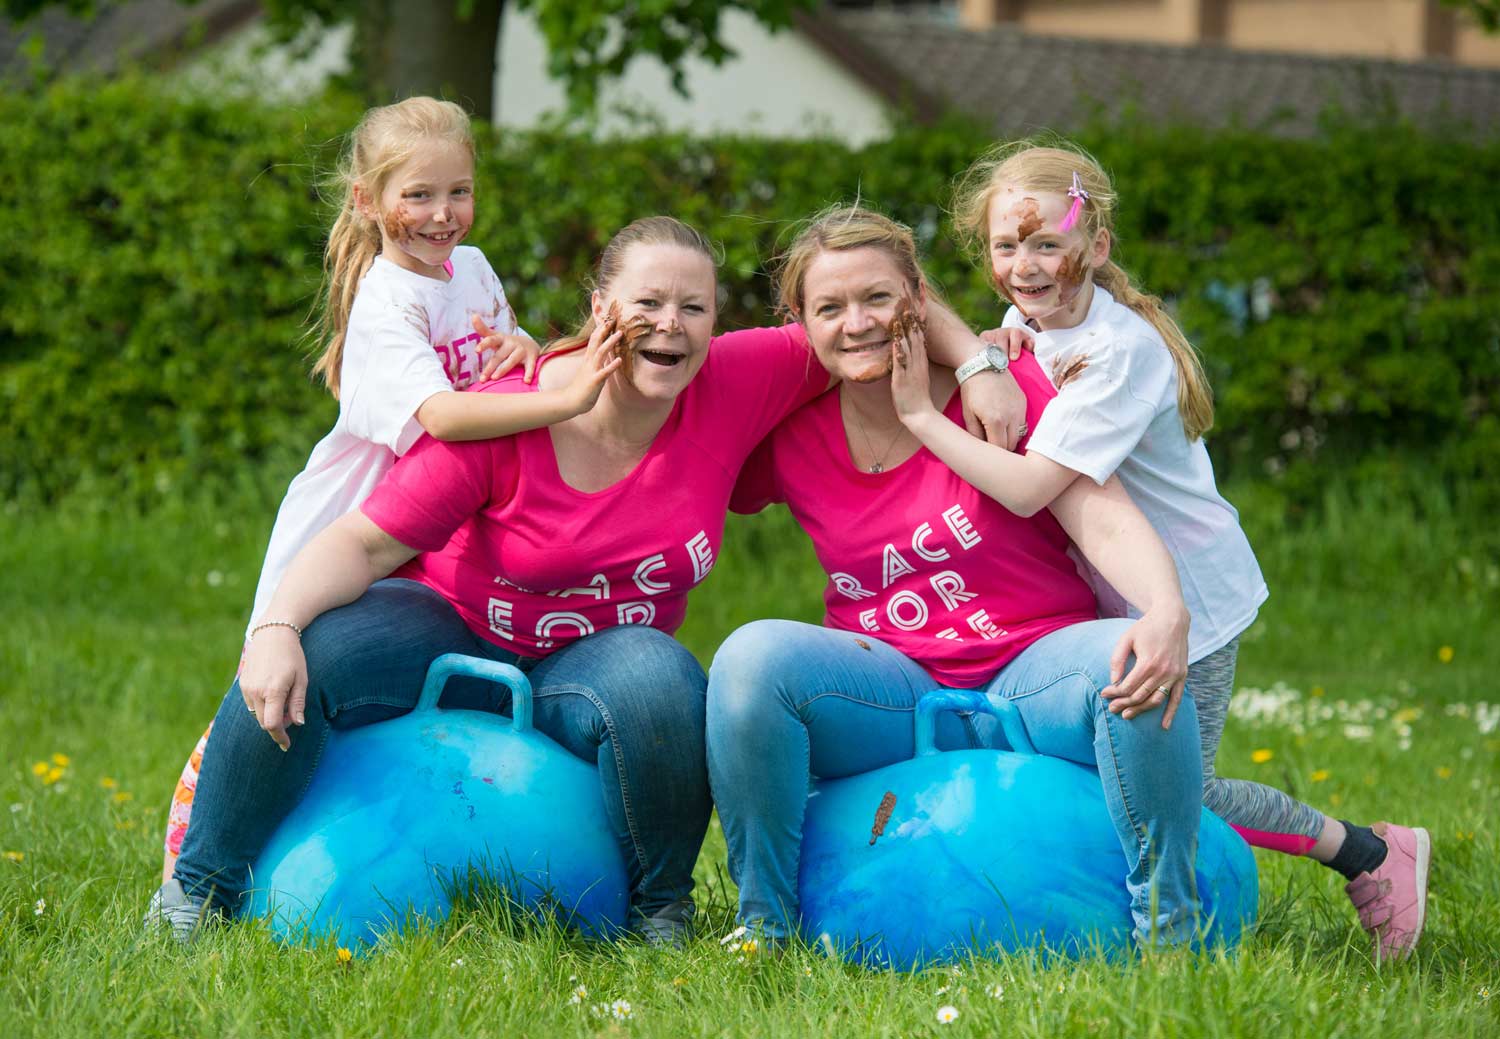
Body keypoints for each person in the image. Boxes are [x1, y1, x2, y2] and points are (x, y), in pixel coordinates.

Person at [144, 214, 1025, 946]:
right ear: (601, 306)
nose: (670, 324)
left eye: (694, 307)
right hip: (449, 621)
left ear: (720, 324)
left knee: (668, 684)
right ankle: (199, 889)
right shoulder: (512, 410)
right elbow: (366, 546)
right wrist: (276, 627)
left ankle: (660, 912)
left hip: (588, 658)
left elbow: (869, 304)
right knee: (325, 646)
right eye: (646, 302)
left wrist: (982, 362)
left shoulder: (738, 376)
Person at [951, 140, 1427, 960]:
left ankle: (1372, 852)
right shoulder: (1041, 316)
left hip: (1189, 600)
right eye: (1005, 245)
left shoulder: (1119, 351)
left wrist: (927, 420)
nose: (1023, 266)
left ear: (1095, 246)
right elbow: (1011, 333)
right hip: (1117, 600)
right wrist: (989, 352)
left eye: (1045, 244)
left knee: (1181, 788)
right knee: (1124, 775)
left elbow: (1031, 487)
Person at [709, 206, 1208, 951]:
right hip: (890, 688)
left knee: (1133, 656)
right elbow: (674, 443)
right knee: (749, 658)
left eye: (878, 298)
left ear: (918, 297)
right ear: (799, 322)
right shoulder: (789, 431)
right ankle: (764, 928)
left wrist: (1165, 608)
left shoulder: (1000, 391)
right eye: (830, 308)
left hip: (1031, 670)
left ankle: (1173, 940)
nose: (857, 323)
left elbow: (1098, 513)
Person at [156, 97, 622, 882]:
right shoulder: (385, 301)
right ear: (369, 201)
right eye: (419, 195)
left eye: (459, 191)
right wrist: (572, 397)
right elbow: (442, 415)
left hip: (442, 524)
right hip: (363, 518)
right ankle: (193, 869)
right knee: (285, 676)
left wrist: (530, 350)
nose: (443, 214)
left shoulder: (469, 270)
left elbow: (498, 381)